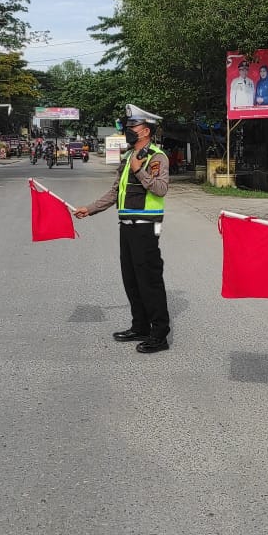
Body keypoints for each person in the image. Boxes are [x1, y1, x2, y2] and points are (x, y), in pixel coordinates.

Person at [74, 104, 172, 353]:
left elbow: (160, 189)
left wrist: (140, 172)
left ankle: (159, 334)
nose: (128, 130)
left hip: (146, 226)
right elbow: (117, 191)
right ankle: (140, 326)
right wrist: (91, 208)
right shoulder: (129, 156)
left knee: (149, 280)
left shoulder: (157, 157)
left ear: (146, 131)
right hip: (126, 226)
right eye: (126, 127)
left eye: (132, 127)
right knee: (131, 280)